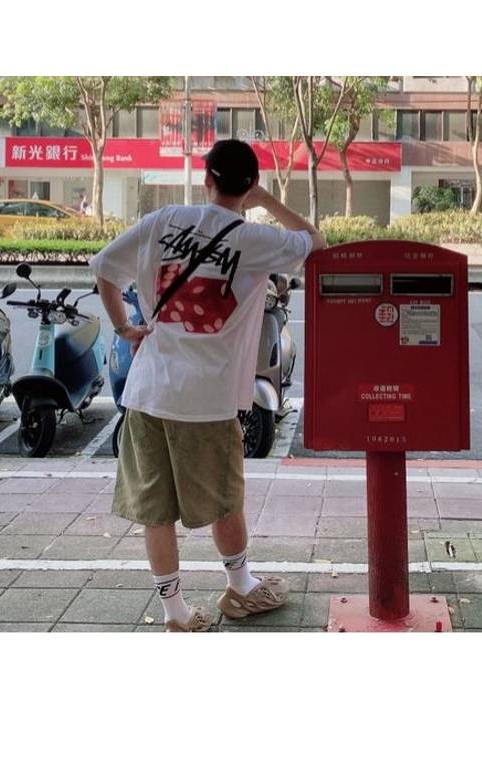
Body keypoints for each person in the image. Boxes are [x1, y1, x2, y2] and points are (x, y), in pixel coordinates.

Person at [90, 139, 326, 632]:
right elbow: (315, 241)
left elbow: (104, 268)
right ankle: (239, 587)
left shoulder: (163, 221)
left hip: (148, 391)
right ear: (249, 185)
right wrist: (267, 202)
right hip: (209, 399)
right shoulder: (256, 241)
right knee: (224, 499)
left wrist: (124, 328)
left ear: (207, 180)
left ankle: (175, 613)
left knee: (156, 508)